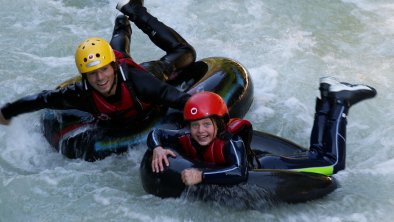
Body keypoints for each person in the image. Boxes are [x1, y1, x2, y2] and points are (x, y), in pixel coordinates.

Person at [146, 77, 377, 186]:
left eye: (207, 124)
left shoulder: (230, 143)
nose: (201, 131)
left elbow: (238, 172)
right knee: (316, 153)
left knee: (332, 164)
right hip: (265, 161)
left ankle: (339, 103)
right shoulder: (186, 137)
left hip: (270, 167)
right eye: (195, 125)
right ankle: (328, 96)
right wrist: (156, 148)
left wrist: (201, 176)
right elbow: (158, 133)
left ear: (219, 124)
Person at [0, 1, 196, 127]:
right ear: (85, 76)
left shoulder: (142, 83)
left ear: (114, 67)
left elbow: (182, 100)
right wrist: (7, 112)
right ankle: (122, 19)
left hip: (149, 72)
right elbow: (43, 99)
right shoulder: (80, 92)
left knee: (186, 52)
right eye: (92, 73)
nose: (100, 78)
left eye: (103, 70)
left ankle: (134, 11)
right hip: (114, 63)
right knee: (117, 47)